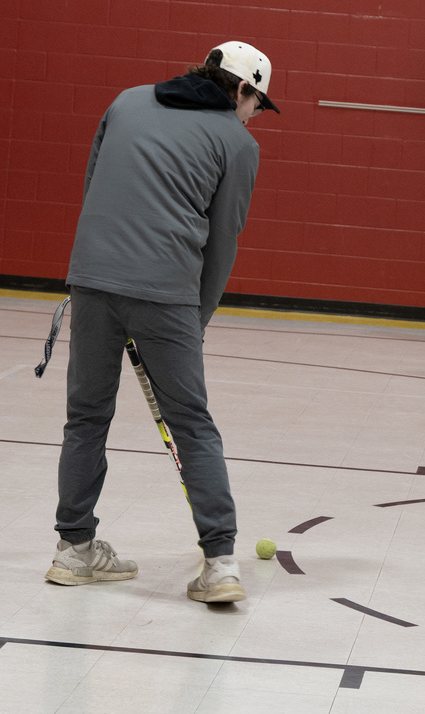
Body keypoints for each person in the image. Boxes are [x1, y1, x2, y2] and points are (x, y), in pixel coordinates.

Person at [45, 41, 280, 604]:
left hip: (94, 277)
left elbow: (94, 188)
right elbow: (223, 243)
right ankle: (220, 564)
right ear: (242, 90)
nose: (253, 116)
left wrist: (100, 270)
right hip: (166, 290)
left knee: (85, 418)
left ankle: (72, 551)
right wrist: (193, 320)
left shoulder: (125, 102)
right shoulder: (237, 143)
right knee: (193, 425)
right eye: (256, 104)